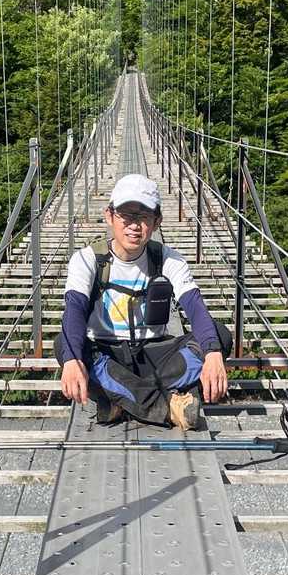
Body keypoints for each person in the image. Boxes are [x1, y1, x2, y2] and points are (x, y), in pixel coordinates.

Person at [56, 173, 232, 429]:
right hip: (107, 356)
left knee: (219, 336)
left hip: (155, 356)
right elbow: (74, 309)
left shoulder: (168, 259)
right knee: (66, 346)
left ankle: (120, 401)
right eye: (125, 215)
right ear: (109, 216)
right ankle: (166, 408)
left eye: (144, 217)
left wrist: (213, 352)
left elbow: (195, 307)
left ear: (157, 221)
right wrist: (72, 359)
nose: (134, 225)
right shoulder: (87, 259)